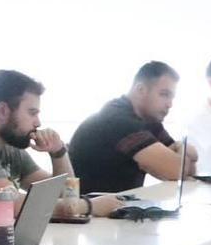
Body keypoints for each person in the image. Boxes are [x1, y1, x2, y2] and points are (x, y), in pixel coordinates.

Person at [0, 70, 122, 231]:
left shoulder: (7, 147)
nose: (38, 122)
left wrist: (58, 152)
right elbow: (12, 205)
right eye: (32, 112)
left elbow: (61, 193)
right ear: (3, 111)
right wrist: (90, 207)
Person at [70, 61, 196, 194]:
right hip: (87, 210)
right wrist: (181, 148)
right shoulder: (118, 120)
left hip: (119, 208)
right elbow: (176, 171)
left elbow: (187, 171)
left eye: (172, 97)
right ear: (140, 90)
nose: (170, 104)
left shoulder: (149, 120)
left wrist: (179, 153)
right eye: (164, 94)